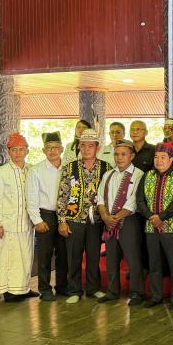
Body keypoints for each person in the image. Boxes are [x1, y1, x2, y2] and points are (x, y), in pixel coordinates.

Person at [57, 128, 111, 304]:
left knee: (94, 255)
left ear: (97, 147)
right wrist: (62, 221)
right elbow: (62, 195)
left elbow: (110, 194)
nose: (87, 149)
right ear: (79, 147)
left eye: (91, 146)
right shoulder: (69, 168)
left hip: (96, 219)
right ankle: (74, 290)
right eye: (83, 145)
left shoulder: (106, 167)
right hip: (74, 218)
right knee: (74, 256)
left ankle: (93, 288)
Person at [137, 142, 173, 308]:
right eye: (156, 157)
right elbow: (140, 200)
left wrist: (162, 217)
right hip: (151, 227)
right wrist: (152, 217)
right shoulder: (147, 175)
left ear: (171, 159)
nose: (158, 160)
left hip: (171, 228)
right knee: (154, 263)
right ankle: (156, 296)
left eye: (163, 157)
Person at [97, 139, 144, 306]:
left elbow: (134, 202)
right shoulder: (108, 174)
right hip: (109, 221)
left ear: (131, 156)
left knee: (133, 258)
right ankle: (112, 291)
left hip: (129, 221)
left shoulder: (138, 174)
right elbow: (100, 198)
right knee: (111, 258)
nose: (119, 157)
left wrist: (114, 218)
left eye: (123, 154)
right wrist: (105, 216)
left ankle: (137, 292)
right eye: (116, 154)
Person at [0, 133, 37, 302]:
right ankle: (9, 292)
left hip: (27, 223)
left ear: (27, 151)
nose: (18, 153)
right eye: (14, 150)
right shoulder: (0, 172)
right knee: (8, 258)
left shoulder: (32, 170)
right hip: (7, 223)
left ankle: (24, 288)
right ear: (8, 152)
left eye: (21, 149)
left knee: (26, 256)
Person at [26, 132, 68, 301]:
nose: (52, 151)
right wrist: (37, 220)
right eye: (49, 148)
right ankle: (44, 288)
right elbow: (31, 197)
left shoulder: (69, 167)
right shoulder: (36, 170)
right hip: (45, 215)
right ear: (43, 150)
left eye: (56, 148)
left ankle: (62, 285)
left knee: (63, 253)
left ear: (62, 149)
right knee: (44, 254)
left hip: (64, 215)